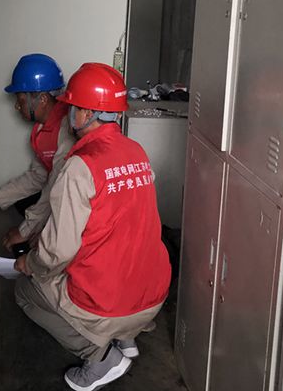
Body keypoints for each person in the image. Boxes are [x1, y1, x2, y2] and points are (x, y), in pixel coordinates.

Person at [13, 63, 171, 391]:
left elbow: (58, 251)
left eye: (72, 108)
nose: (68, 114)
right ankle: (125, 338)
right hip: (153, 296)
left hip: (108, 304)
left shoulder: (80, 166)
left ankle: (100, 357)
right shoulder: (136, 151)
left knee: (26, 291)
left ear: (85, 114)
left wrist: (30, 263)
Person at [0, 53, 75, 248]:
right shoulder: (43, 129)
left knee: (28, 246)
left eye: (21, 100)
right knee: (22, 203)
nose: (16, 106)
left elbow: (55, 188)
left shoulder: (66, 131)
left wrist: (25, 231)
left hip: (72, 203)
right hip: (60, 192)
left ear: (42, 99)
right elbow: (39, 177)